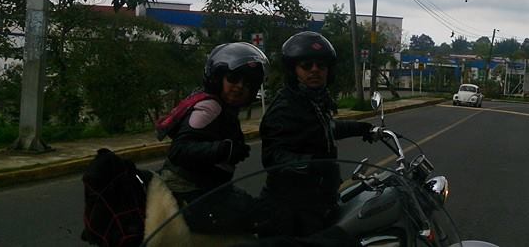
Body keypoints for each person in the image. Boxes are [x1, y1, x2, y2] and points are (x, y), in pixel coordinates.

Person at [259, 31, 379, 237]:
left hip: (318, 201)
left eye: (321, 65)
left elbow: (326, 128)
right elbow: (272, 157)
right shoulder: (285, 107)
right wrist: (310, 163)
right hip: (292, 211)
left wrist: (363, 128)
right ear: (293, 70)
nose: (315, 70)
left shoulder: (312, 100)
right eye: (306, 65)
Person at [155, 41, 266, 235]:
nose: (240, 87)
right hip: (187, 188)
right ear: (217, 78)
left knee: (257, 213)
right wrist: (223, 150)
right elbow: (179, 150)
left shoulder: (225, 109)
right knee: (251, 224)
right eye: (233, 78)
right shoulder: (210, 107)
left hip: (211, 187)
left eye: (247, 83)